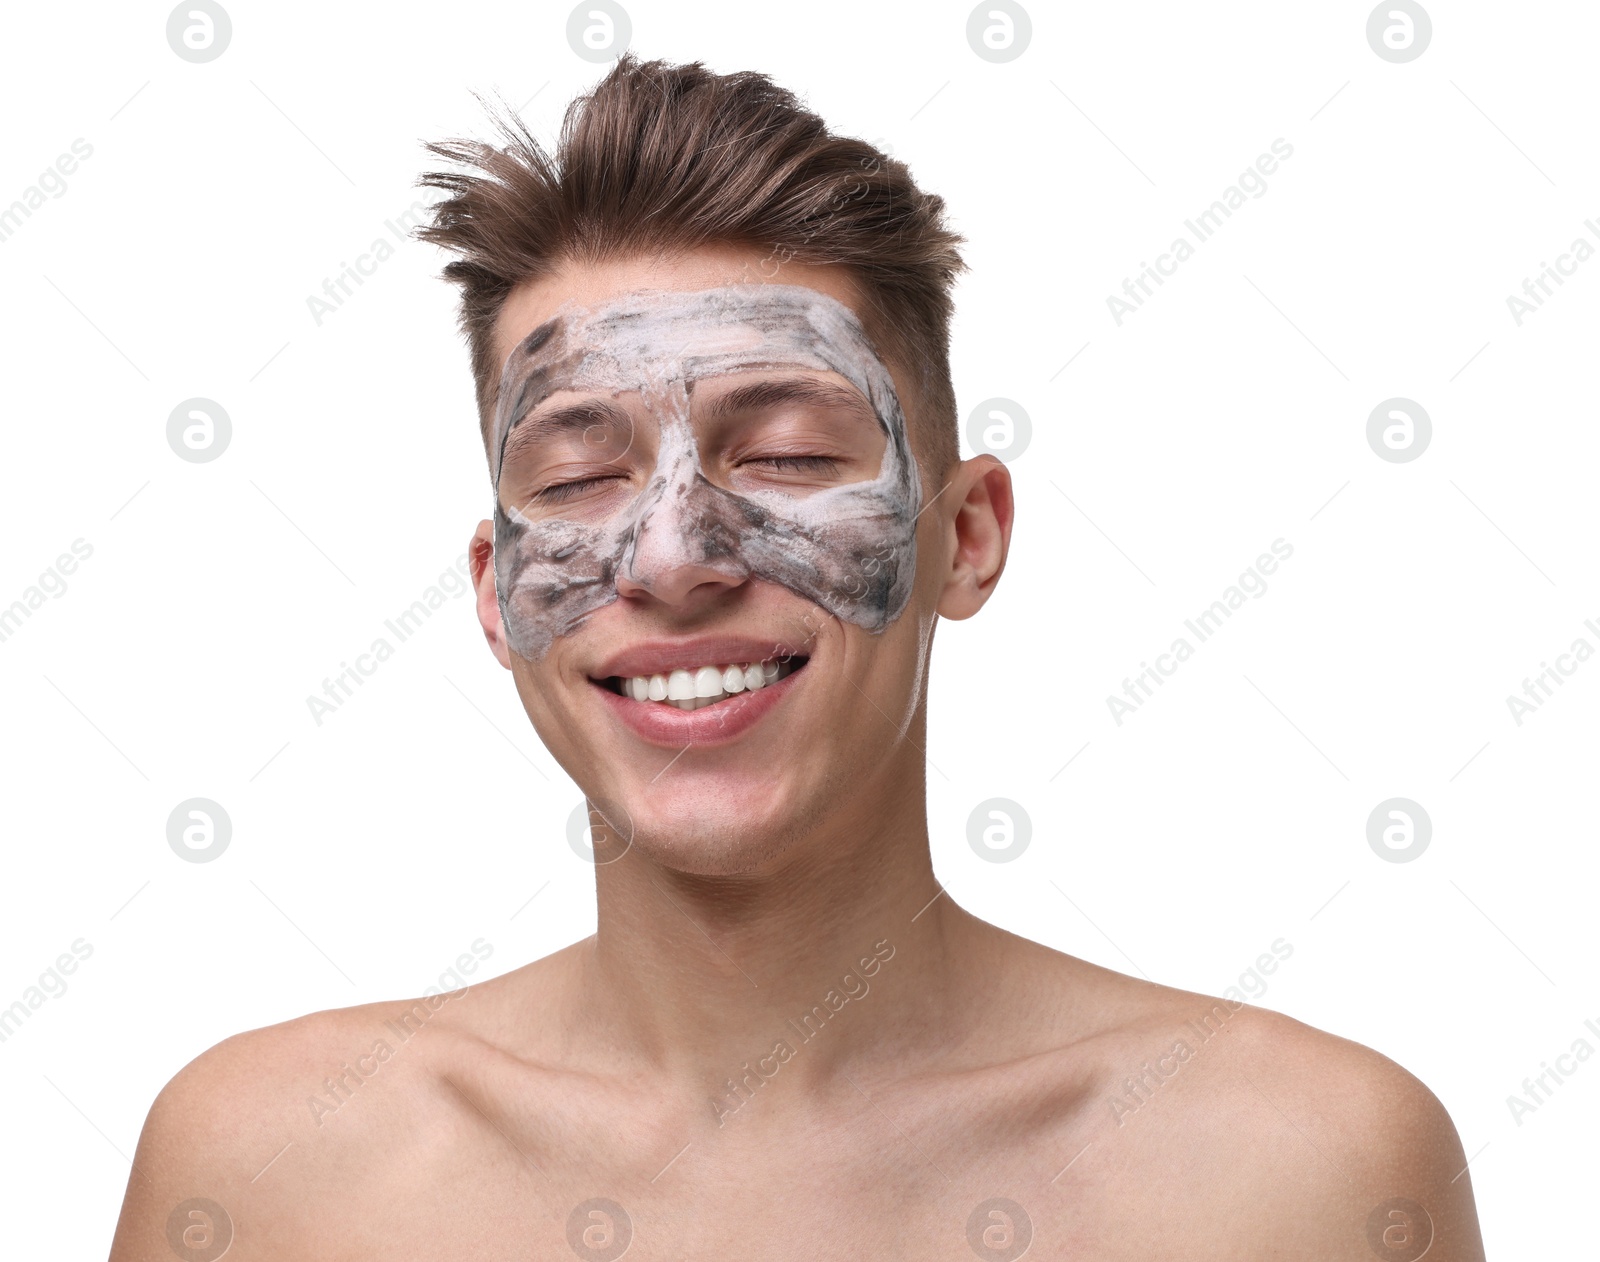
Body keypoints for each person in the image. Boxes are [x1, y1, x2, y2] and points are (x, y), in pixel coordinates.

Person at [110, 55, 1485, 1260]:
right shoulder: (267, 1173)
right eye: (579, 475)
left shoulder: (1308, 1175)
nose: (672, 555)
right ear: (495, 589)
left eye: (785, 454)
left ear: (966, 536)